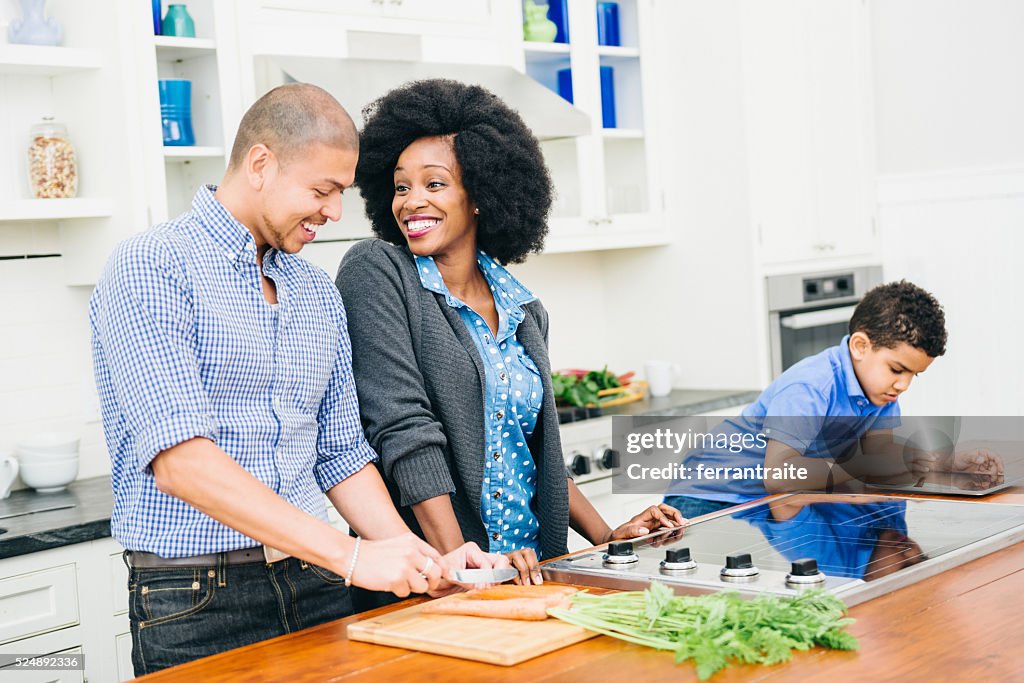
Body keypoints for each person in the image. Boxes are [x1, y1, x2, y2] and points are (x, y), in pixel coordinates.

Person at [89, 83, 505, 676]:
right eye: (322, 190)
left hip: (315, 583)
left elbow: (340, 452)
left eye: (341, 193)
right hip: (195, 597)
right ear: (261, 164)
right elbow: (181, 462)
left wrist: (415, 553)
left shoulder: (314, 292)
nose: (335, 211)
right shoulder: (152, 266)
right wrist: (354, 555)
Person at [335, 79, 684, 596]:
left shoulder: (523, 309)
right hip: (436, 577)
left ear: (481, 193)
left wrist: (610, 539)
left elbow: (538, 456)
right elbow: (403, 430)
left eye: (434, 184)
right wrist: (458, 563)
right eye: (401, 186)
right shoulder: (378, 272)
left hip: (534, 574)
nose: (410, 202)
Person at [662, 280, 987, 517]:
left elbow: (881, 452)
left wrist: (945, 464)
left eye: (913, 375)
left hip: (763, 501)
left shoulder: (881, 391)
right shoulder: (810, 386)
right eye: (897, 369)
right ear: (860, 346)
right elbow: (781, 476)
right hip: (707, 496)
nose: (903, 385)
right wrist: (861, 466)